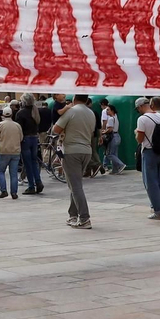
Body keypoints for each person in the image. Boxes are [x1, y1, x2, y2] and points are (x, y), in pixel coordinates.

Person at [54, 93, 98, 228]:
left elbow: (56, 129)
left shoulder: (71, 111)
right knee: (76, 184)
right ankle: (72, 215)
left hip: (72, 151)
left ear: (74, 99)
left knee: (76, 186)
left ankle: (84, 218)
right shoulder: (91, 113)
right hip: (86, 150)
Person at [136, 97, 160, 219]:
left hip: (149, 151)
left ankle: (158, 211)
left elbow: (140, 139)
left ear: (141, 106)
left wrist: (136, 132)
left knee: (151, 182)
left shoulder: (142, 119)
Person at [0, 106, 22, 199]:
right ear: (12, 114)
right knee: (13, 173)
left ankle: (3, 190)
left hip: (3, 151)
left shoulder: (1, 125)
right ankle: (14, 192)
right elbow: (21, 138)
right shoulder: (17, 125)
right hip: (15, 151)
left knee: (0, 171)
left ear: (3, 114)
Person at [18, 94, 45, 195]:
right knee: (34, 162)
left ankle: (31, 186)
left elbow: (19, 129)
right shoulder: (35, 111)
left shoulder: (21, 113)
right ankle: (38, 181)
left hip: (25, 139)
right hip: (34, 138)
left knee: (27, 163)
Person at [99, 99, 126, 174]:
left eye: (108, 110)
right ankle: (115, 169)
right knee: (114, 153)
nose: (106, 111)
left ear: (112, 111)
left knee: (109, 154)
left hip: (113, 136)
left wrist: (104, 131)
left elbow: (110, 129)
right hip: (117, 136)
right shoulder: (115, 117)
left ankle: (121, 165)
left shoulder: (110, 119)